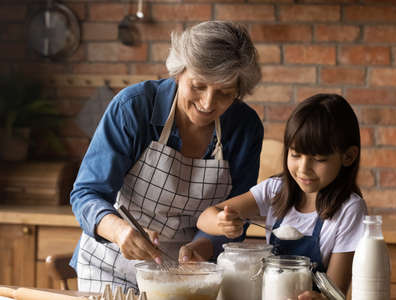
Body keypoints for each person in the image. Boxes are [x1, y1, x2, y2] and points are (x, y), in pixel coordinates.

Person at [70, 20, 263, 293]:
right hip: (110, 267)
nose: (208, 103)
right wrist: (120, 232)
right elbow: (86, 194)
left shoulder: (245, 128)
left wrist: (201, 246)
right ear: (178, 72)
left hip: (187, 274)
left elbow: (235, 215)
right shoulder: (133, 108)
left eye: (224, 93)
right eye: (198, 86)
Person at [197, 93, 368, 299]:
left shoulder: (349, 209)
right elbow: (204, 217)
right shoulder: (275, 190)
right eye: (295, 155)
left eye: (319, 159)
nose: (304, 169)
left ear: (348, 156)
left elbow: (335, 292)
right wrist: (221, 221)